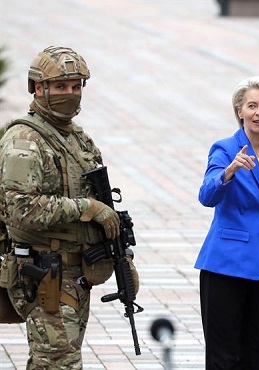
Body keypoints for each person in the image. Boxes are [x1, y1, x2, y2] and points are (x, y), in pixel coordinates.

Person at [0, 46, 122, 369]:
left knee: (52, 363)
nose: (71, 94)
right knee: (59, 364)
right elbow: (22, 209)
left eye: (76, 86)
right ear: (39, 88)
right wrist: (86, 208)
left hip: (77, 275)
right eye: (61, 87)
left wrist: (121, 256)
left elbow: (102, 200)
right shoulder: (24, 140)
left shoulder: (78, 139)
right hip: (44, 276)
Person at [194, 76, 259, 370]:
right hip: (225, 266)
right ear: (239, 111)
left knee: (255, 354)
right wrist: (228, 172)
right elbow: (207, 195)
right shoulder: (225, 148)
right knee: (224, 356)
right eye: (252, 106)